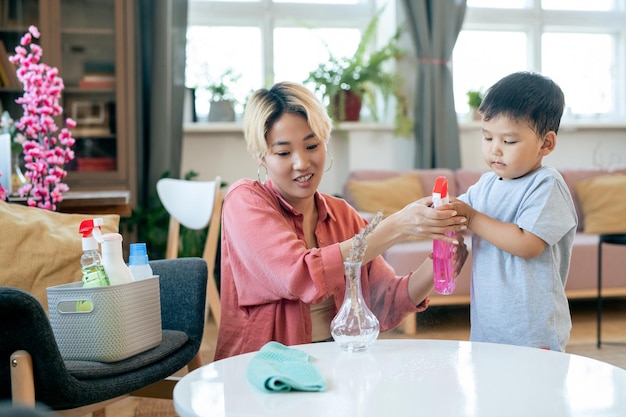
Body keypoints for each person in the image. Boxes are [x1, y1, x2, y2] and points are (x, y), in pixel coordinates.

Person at [214, 81, 468, 360]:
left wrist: (440, 261)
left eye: (312, 145)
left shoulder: (340, 214)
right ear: (261, 156)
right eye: (284, 152)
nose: (302, 163)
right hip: (263, 371)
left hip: (336, 362)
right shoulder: (244, 200)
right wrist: (398, 225)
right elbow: (299, 275)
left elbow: (385, 301)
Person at [452, 71, 577, 351]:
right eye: (487, 138)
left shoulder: (547, 185)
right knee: (492, 392)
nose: (495, 150)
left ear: (546, 144)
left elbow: (528, 243)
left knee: (535, 393)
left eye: (508, 142)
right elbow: (459, 214)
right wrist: (440, 211)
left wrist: (471, 217)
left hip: (533, 332)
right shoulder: (486, 184)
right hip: (489, 328)